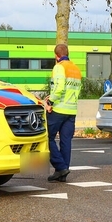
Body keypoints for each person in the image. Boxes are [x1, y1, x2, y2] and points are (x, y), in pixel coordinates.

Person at [45, 44, 81, 182]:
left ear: (56, 56)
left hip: (59, 109)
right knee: (66, 141)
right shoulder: (76, 68)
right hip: (71, 110)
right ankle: (63, 172)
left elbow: (59, 88)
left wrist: (50, 102)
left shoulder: (59, 67)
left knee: (47, 137)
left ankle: (60, 167)